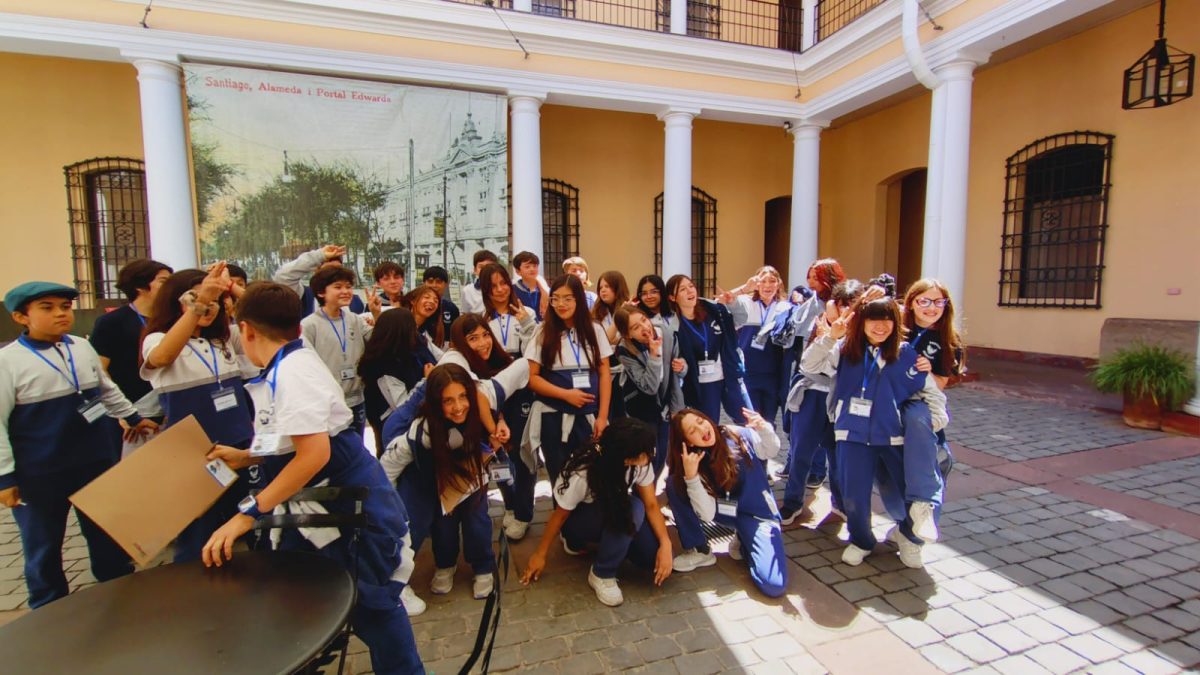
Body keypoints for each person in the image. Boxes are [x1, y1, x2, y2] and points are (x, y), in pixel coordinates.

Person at [201, 281, 422, 675]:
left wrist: (248, 513)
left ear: (247, 330)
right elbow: (299, 435)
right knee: (319, 600)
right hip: (318, 508)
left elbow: (315, 453)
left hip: (341, 507)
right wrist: (248, 455)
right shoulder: (289, 362)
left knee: (372, 602)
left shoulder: (293, 372)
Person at [1, 282, 156, 608]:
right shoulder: (8, 362)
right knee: (43, 545)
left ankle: (117, 593)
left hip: (95, 461)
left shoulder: (80, 347)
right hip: (40, 473)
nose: (61, 313)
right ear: (20, 316)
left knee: (105, 534)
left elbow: (106, 388)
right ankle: (48, 608)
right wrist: (5, 478)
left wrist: (131, 415)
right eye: (48, 307)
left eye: (65, 306)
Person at [801, 293, 946, 569]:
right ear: (862, 323)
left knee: (905, 492)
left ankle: (909, 538)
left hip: (893, 436)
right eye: (873, 321)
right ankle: (862, 540)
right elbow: (809, 366)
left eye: (887, 321)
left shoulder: (905, 354)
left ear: (896, 323)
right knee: (854, 494)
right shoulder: (844, 350)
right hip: (851, 435)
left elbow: (929, 391)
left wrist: (935, 420)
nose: (880, 327)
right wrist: (831, 337)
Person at [140, 264, 257, 562]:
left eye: (214, 301)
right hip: (195, 455)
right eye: (194, 298)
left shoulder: (225, 339)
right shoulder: (158, 339)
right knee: (198, 534)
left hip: (240, 446)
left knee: (251, 520)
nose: (207, 306)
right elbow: (162, 356)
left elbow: (264, 316)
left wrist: (231, 289)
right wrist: (199, 303)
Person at [520, 418, 673, 607]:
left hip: (614, 510)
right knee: (633, 507)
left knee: (651, 557)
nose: (651, 456)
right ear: (626, 458)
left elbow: (651, 504)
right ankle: (602, 573)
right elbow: (560, 516)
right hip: (579, 521)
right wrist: (540, 554)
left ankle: (615, 545)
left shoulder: (639, 463)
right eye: (645, 453)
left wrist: (665, 544)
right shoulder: (583, 471)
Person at [381, 364, 497, 608]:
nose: (458, 407)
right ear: (435, 402)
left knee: (476, 517)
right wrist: (388, 505)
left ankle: (484, 566)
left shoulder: (479, 409)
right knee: (436, 521)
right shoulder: (419, 433)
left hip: (469, 472)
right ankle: (444, 563)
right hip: (428, 475)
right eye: (448, 401)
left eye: (463, 396)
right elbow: (387, 467)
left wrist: (500, 427)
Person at [666, 408, 788, 597]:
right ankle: (700, 550)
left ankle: (746, 540)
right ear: (688, 442)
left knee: (773, 585)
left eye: (700, 421)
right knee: (675, 484)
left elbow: (771, 450)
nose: (702, 430)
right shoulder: (693, 460)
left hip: (757, 514)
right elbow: (707, 514)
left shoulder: (738, 434)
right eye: (692, 431)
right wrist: (691, 477)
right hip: (725, 512)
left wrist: (764, 429)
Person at [779, 278, 863, 525]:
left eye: (853, 306)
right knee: (800, 453)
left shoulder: (864, 333)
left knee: (837, 455)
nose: (847, 311)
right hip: (812, 397)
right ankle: (793, 502)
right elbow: (810, 364)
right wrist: (829, 337)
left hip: (841, 401)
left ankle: (840, 502)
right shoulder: (824, 326)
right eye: (842, 305)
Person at [522, 275, 612, 488]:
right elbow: (531, 378)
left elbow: (605, 374)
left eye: (568, 298)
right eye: (555, 298)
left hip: (588, 417)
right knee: (560, 479)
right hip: (553, 417)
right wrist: (565, 394)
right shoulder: (543, 332)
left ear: (579, 299)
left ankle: (587, 521)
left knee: (591, 478)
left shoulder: (595, 330)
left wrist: (602, 416)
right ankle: (564, 521)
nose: (561, 304)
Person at [899, 278, 965, 542]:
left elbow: (942, 383)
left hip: (925, 410)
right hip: (893, 407)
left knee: (934, 463)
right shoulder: (897, 330)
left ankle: (917, 533)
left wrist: (926, 370)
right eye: (924, 301)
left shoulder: (950, 340)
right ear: (912, 303)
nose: (931, 307)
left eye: (938, 301)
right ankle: (903, 528)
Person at [479, 262, 540, 540]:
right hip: (493, 390)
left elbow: (535, 352)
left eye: (504, 283)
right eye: (493, 286)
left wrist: (527, 324)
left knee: (524, 451)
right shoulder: (481, 319)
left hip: (523, 391)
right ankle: (511, 504)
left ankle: (524, 513)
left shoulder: (527, 314)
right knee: (499, 450)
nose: (500, 290)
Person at [778, 259, 846, 486]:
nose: (810, 282)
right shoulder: (811, 300)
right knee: (798, 422)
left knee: (822, 428)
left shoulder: (837, 303)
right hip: (802, 361)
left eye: (816, 277)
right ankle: (794, 462)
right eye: (810, 276)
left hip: (827, 375)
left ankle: (817, 470)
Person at [89, 259, 173, 443]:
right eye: (163, 281)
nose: (171, 287)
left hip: (169, 407)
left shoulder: (173, 321)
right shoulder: (112, 322)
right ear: (140, 286)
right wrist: (125, 414)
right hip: (132, 411)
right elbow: (100, 371)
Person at [665, 274, 751, 425]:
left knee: (749, 420)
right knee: (708, 424)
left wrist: (733, 303)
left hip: (729, 374)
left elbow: (740, 320)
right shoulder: (673, 325)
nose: (690, 291)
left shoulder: (714, 310)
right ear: (673, 297)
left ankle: (750, 448)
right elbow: (680, 356)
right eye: (683, 289)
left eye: (691, 286)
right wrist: (682, 365)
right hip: (703, 383)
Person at [300, 266, 376, 437]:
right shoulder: (309, 325)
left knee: (357, 448)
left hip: (357, 399)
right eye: (338, 287)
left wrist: (377, 314)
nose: (345, 291)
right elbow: (306, 365)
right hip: (328, 404)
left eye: (348, 287)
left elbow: (377, 341)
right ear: (321, 292)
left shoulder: (355, 319)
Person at [613, 305, 684, 476]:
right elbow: (649, 387)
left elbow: (676, 372)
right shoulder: (624, 349)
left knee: (662, 455)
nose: (645, 328)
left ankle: (648, 496)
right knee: (649, 456)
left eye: (644, 320)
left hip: (665, 403)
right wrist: (654, 355)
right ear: (628, 335)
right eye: (636, 327)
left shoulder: (665, 334)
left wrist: (682, 367)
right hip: (641, 406)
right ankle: (641, 496)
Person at [717, 266, 791, 428]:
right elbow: (721, 301)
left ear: (779, 284)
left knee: (768, 423)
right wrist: (745, 288)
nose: (767, 285)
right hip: (748, 373)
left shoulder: (785, 308)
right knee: (750, 422)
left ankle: (765, 454)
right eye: (762, 281)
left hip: (772, 375)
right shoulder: (746, 302)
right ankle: (751, 453)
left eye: (772, 281)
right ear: (756, 284)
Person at [358, 308, 437, 457]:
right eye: (411, 327)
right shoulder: (383, 365)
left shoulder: (416, 345)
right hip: (395, 429)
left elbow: (441, 357)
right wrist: (427, 381)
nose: (415, 330)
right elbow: (402, 407)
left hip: (423, 419)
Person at [272, 244, 366, 318]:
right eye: (329, 270)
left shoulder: (354, 301)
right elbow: (283, 276)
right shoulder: (304, 295)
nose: (335, 275)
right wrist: (319, 256)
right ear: (316, 271)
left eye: (338, 269)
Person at [592, 270, 631, 418]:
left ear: (617, 287)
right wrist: (617, 321)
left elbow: (629, 339)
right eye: (600, 287)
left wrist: (613, 338)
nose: (603, 290)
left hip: (625, 368)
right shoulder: (595, 313)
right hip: (604, 367)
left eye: (607, 286)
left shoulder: (631, 310)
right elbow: (603, 342)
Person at [421, 266, 460, 343]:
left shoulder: (452, 308)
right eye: (430, 281)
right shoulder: (415, 306)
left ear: (446, 284)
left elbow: (455, 336)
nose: (434, 285)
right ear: (424, 283)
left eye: (438, 282)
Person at [403, 285, 447, 350]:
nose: (432, 301)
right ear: (413, 301)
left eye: (436, 301)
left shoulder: (431, 332)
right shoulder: (399, 324)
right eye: (426, 297)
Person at [511, 251, 549, 322]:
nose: (532, 269)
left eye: (535, 266)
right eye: (527, 267)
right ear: (518, 271)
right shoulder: (513, 290)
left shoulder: (545, 292)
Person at [460, 250, 498, 315]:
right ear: (475, 270)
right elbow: (464, 315)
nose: (485, 270)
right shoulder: (467, 291)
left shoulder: (502, 289)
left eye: (489, 267)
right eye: (481, 267)